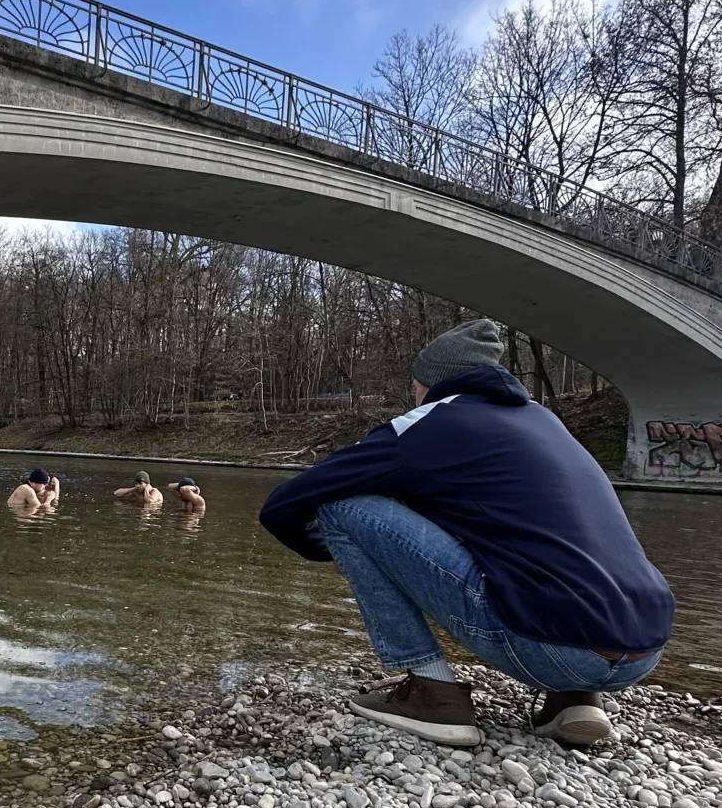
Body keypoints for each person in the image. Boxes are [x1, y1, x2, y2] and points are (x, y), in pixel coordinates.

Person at [258, 319, 674, 750]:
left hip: (552, 648)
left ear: (429, 383)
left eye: (415, 387)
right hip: (643, 648)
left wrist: (352, 554)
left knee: (341, 507)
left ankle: (433, 694)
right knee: (534, 544)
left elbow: (283, 506)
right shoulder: (544, 422)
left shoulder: (427, 423)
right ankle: (575, 699)